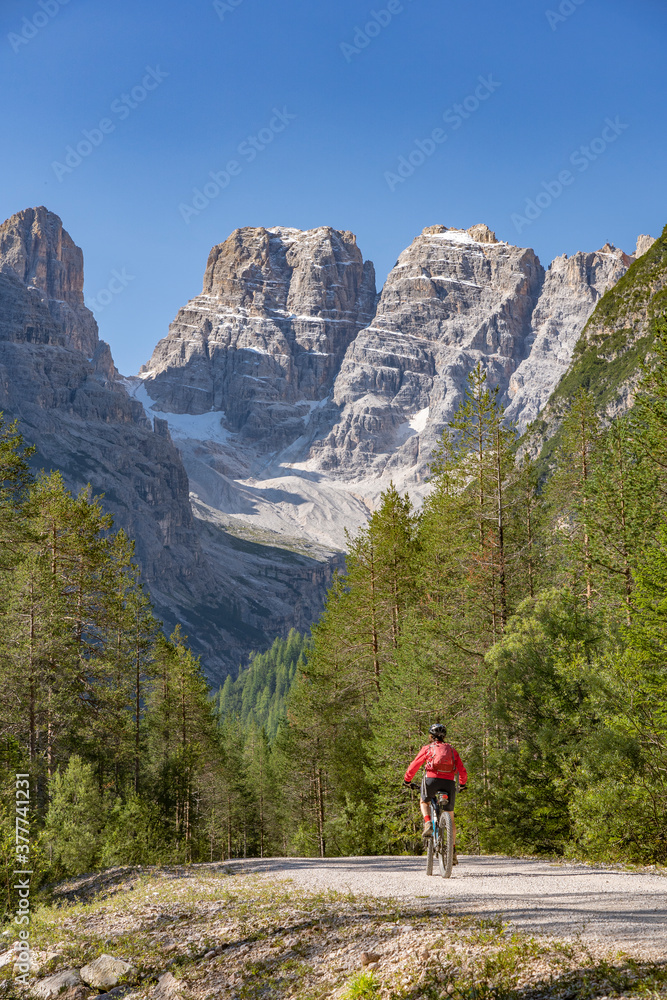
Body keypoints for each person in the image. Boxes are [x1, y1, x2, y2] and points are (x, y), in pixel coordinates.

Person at [403, 723, 467, 864]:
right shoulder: (452, 750)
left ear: (430, 737)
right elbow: (462, 769)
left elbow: (415, 765)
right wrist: (462, 784)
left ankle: (427, 823)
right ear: (444, 737)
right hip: (449, 782)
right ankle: (453, 851)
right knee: (450, 815)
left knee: (424, 801)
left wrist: (407, 780)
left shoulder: (427, 748)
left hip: (431, 780)